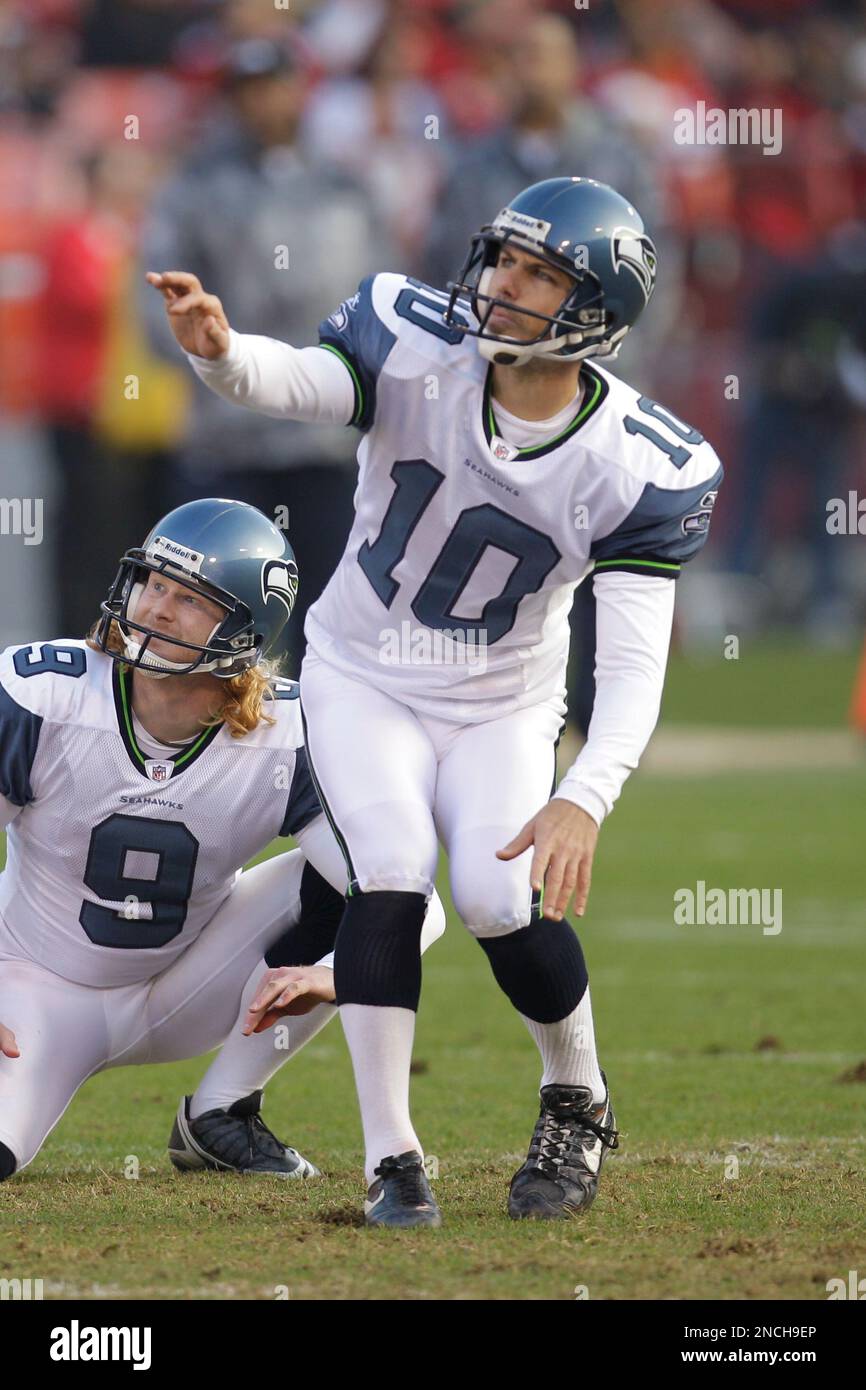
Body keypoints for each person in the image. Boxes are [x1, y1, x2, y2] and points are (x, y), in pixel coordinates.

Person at [149, 176, 724, 1228]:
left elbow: (633, 669)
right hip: (361, 672)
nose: (501, 284)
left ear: (594, 307)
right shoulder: (416, 346)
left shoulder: (639, 463)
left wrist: (583, 795)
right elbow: (299, 385)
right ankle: (392, 1157)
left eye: (538, 272)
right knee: (393, 873)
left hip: (502, 700)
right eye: (502, 257)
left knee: (502, 899)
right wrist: (221, 351)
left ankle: (577, 1096)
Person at [0, 497, 444, 1183]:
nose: (156, 609)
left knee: (345, 889)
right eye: (155, 584)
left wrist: (338, 971)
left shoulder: (290, 733)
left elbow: (407, 895)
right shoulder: (45, 695)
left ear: (246, 627)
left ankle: (223, 1110)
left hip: (186, 987)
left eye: (190, 599)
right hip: (31, 986)